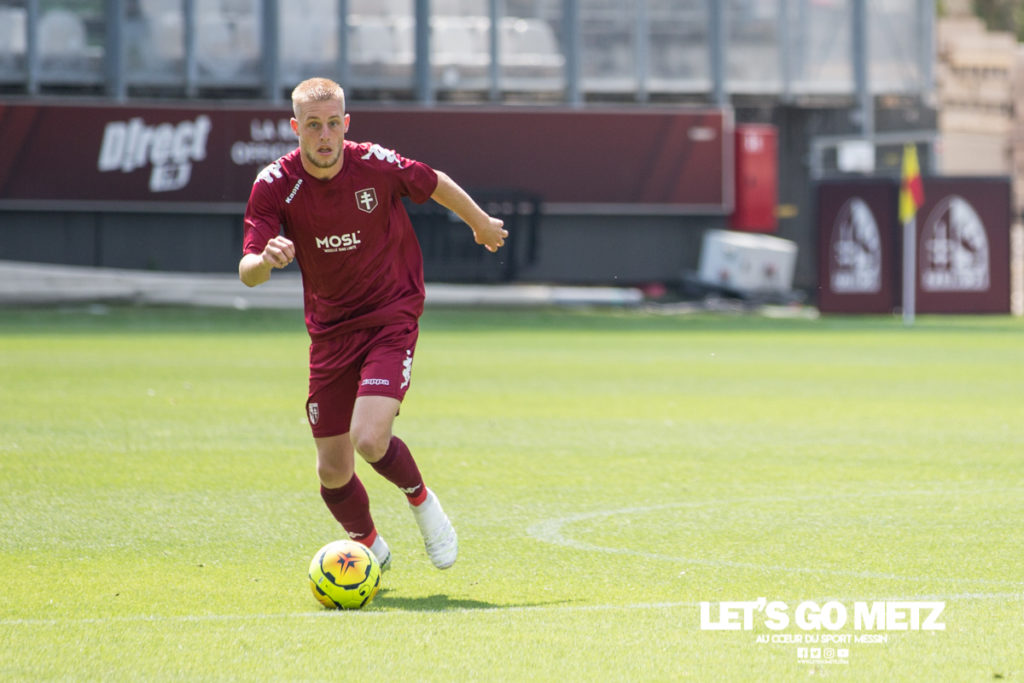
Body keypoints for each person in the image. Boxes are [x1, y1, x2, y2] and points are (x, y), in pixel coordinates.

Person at [239, 77, 508, 571]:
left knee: (369, 438)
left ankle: (424, 504)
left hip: (391, 315)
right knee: (333, 470)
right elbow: (247, 271)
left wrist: (479, 222)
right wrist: (264, 259)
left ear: (347, 124)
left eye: (333, 124)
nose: (324, 136)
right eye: (313, 126)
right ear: (296, 128)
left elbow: (434, 182)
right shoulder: (275, 183)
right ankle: (372, 549)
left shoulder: (374, 163)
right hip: (330, 331)